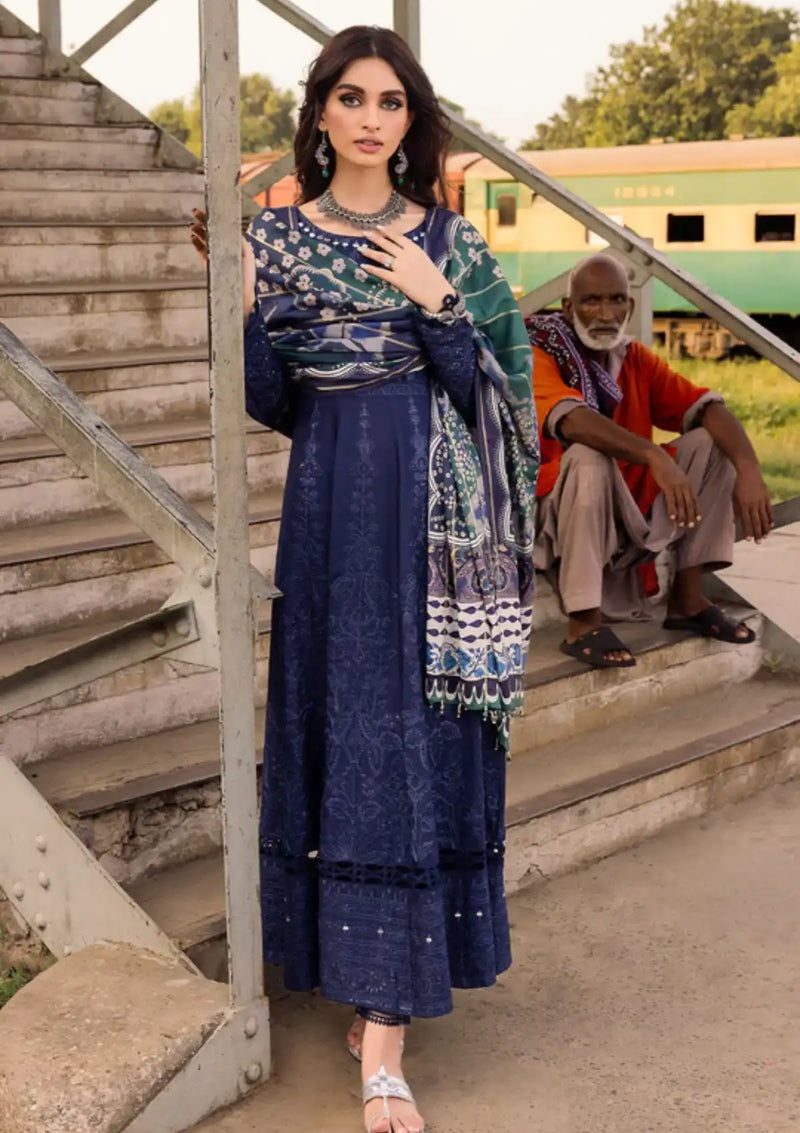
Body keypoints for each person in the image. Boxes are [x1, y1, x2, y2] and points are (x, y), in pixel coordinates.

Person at [191, 26, 538, 1133]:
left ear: (410, 119)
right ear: (321, 113)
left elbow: (492, 391)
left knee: (407, 734)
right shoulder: (276, 236)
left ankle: (385, 1037)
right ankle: (363, 976)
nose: (372, 119)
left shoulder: (446, 237)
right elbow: (270, 399)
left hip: (426, 517)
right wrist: (241, 297)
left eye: (391, 101)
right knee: (342, 724)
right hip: (326, 504)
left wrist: (438, 299)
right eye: (352, 98)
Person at [525, 253, 772, 669]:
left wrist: (750, 470)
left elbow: (708, 407)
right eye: (591, 301)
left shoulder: (633, 357)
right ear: (568, 307)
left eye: (616, 300)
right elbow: (573, 421)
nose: (606, 314)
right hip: (555, 514)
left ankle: (688, 600)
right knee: (588, 456)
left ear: (630, 305)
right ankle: (584, 623)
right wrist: (654, 454)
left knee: (713, 444)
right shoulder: (539, 351)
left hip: (624, 503)